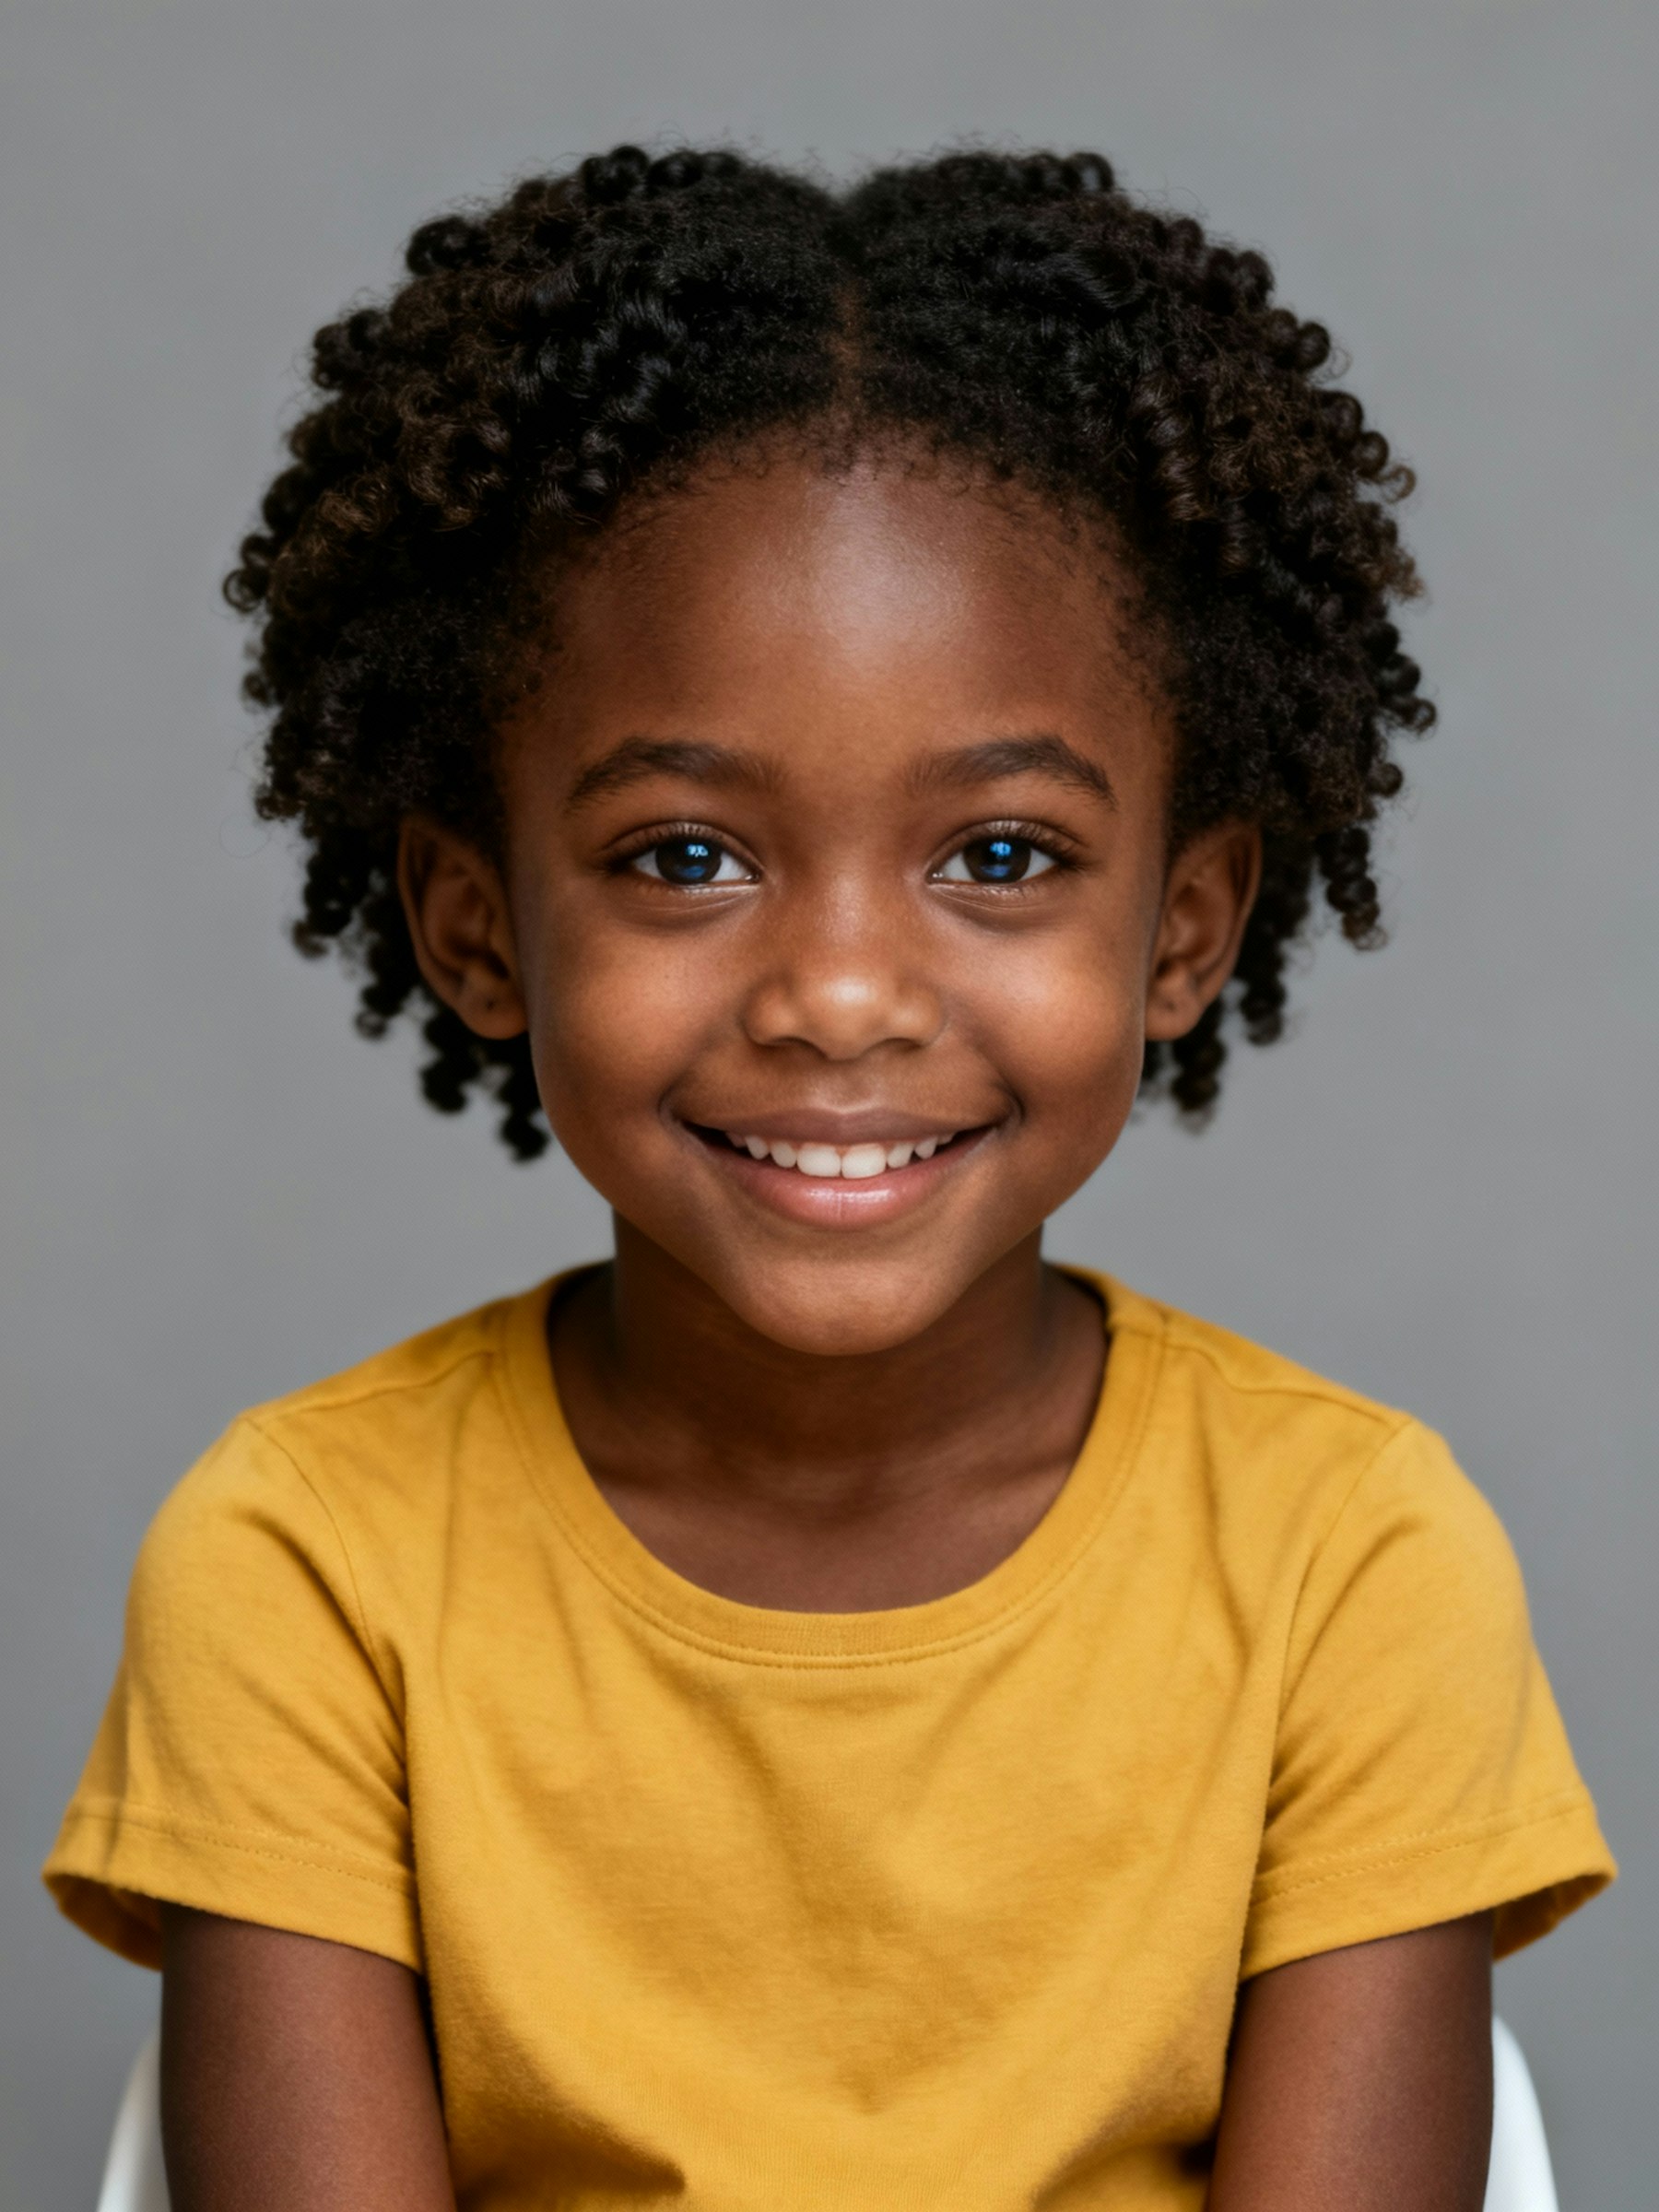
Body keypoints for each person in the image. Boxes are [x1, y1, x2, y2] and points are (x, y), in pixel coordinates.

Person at [45, 146, 1613, 2212]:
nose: (844, 996)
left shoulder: (1354, 1567)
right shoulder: (306, 1571)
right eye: (686, 857)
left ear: (1186, 929)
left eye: (1003, 857)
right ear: (476, 925)